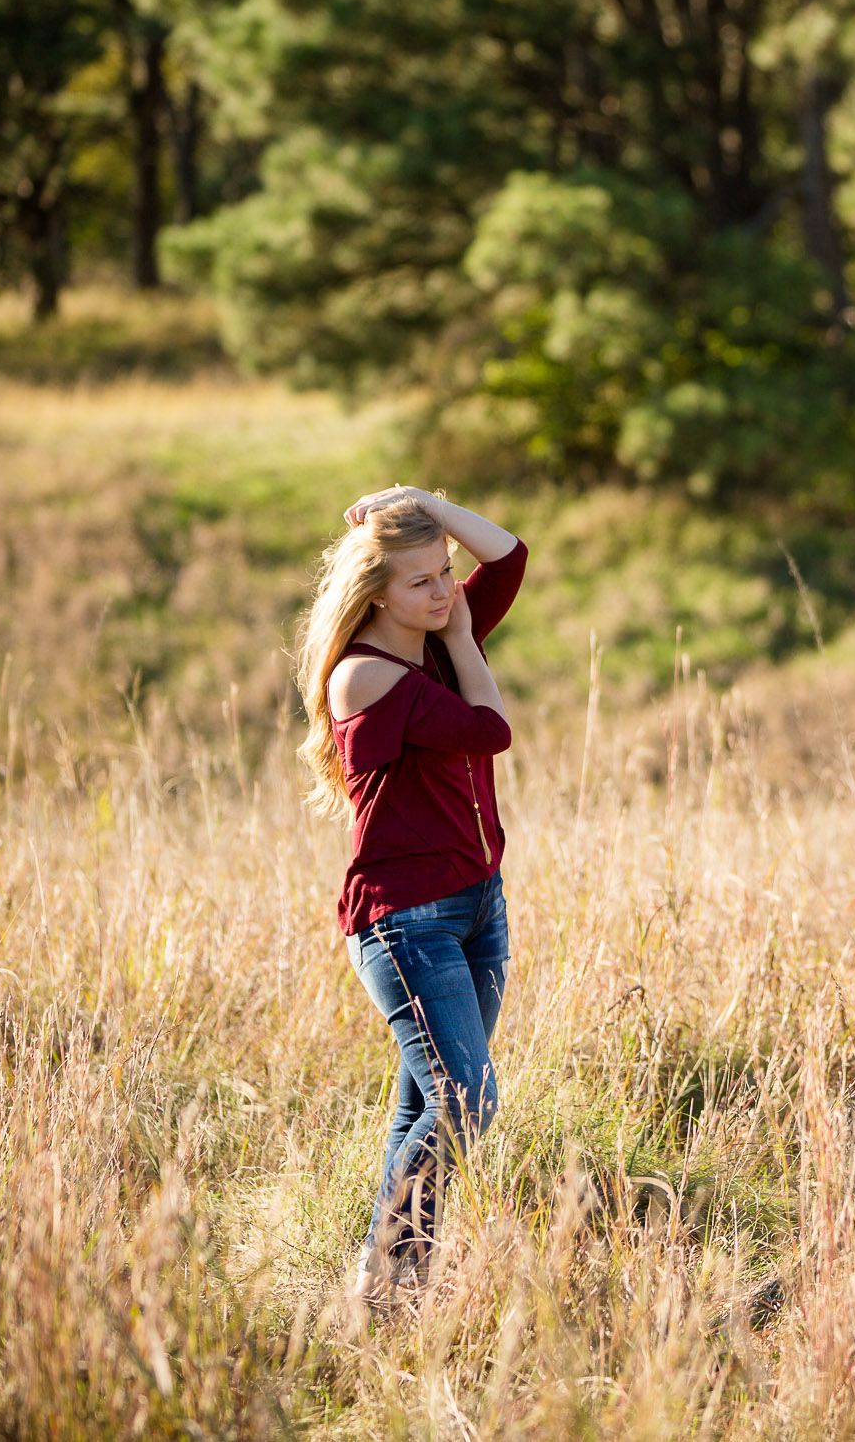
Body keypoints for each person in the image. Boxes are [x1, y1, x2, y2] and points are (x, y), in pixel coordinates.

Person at [293, 485, 526, 1314]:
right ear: (375, 592)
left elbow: (509, 555)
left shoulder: (432, 635)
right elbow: (488, 729)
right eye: (422, 580)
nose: (444, 591)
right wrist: (464, 640)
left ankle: (394, 1288)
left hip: (475, 905)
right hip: (404, 923)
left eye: (443, 573)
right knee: (467, 1102)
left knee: (425, 1106)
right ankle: (378, 1274)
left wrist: (425, 501)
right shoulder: (365, 675)